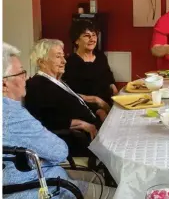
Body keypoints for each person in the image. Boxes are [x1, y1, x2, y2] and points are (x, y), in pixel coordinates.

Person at [3, 42, 116, 199]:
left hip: (48, 174)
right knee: (117, 192)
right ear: (4, 83)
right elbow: (58, 151)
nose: (25, 77)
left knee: (107, 177)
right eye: (21, 73)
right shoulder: (15, 113)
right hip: (45, 186)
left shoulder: (57, 82)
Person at [24, 39, 101, 155]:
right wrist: (81, 124)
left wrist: (98, 110)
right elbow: (43, 120)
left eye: (63, 56)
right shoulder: (37, 85)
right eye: (58, 57)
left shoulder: (56, 81)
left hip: (94, 128)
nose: (64, 61)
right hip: (78, 139)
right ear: (42, 62)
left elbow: (77, 103)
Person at [63, 21, 117, 111]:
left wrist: (113, 86)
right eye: (87, 36)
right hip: (86, 107)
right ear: (76, 40)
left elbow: (108, 76)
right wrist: (96, 100)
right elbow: (71, 93)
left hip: (107, 103)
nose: (92, 39)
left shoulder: (100, 56)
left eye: (94, 35)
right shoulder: (70, 63)